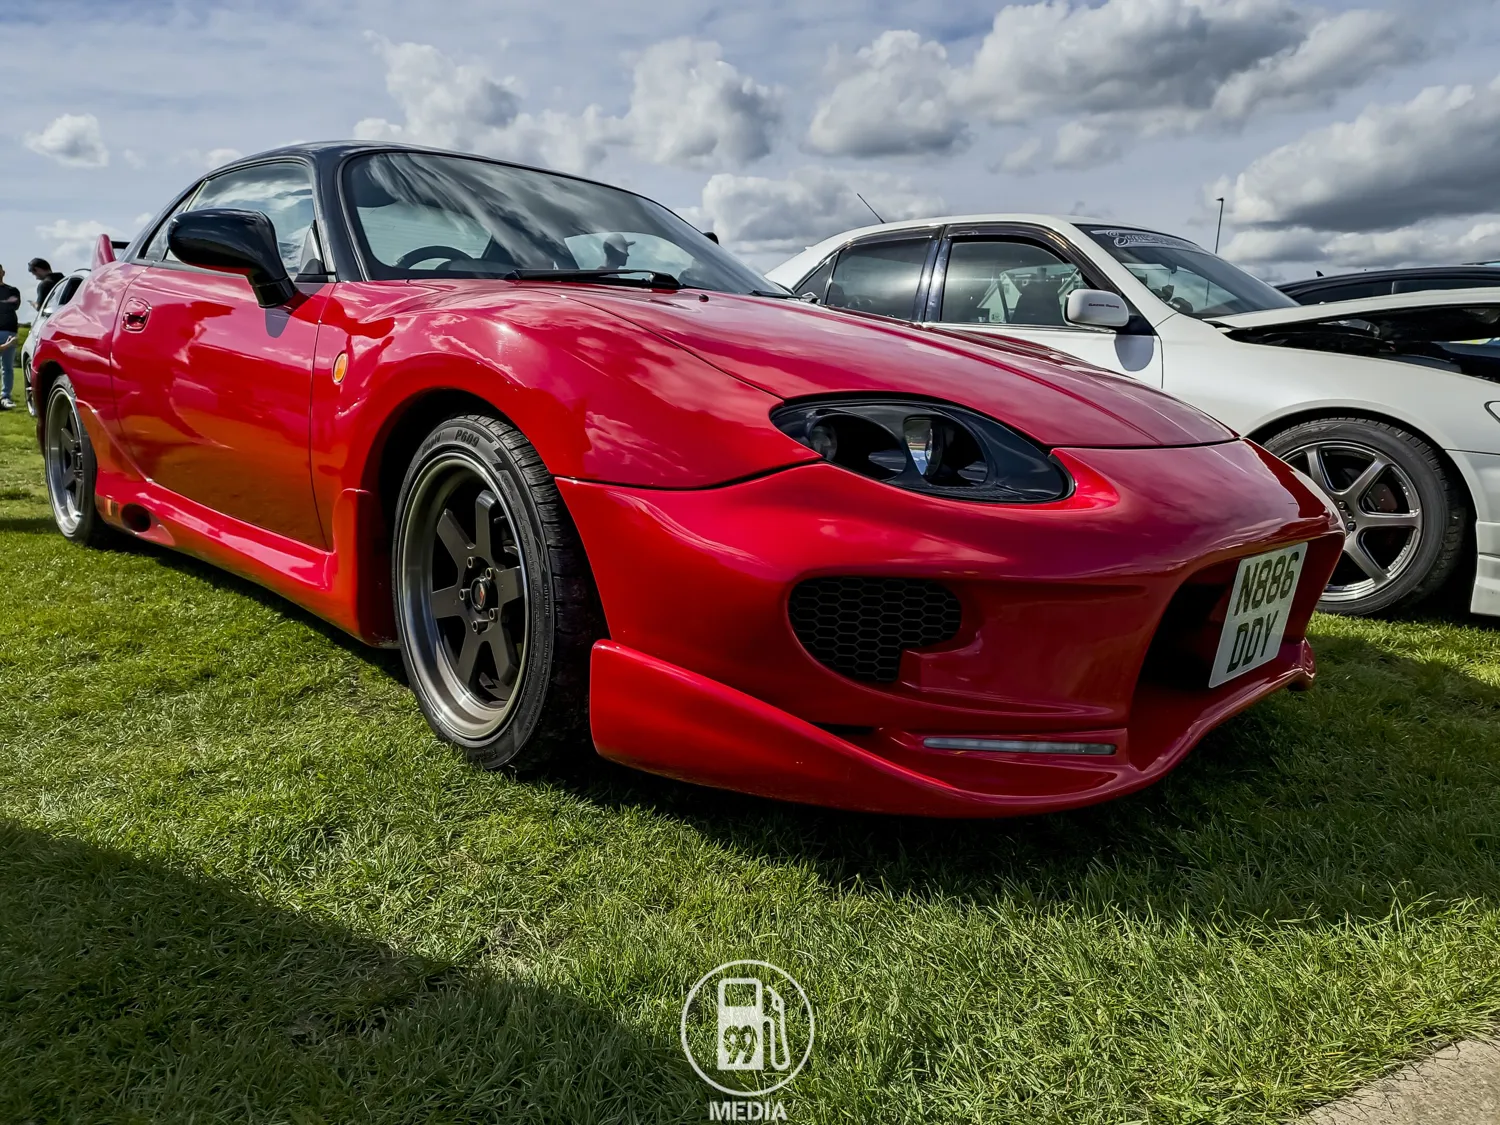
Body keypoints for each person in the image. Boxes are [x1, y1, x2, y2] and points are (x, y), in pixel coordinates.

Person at [0, 265, 20, 410]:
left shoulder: (12, 290)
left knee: (7, 367)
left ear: (3, 272)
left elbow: (13, 305)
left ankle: (5, 396)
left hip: (9, 331)